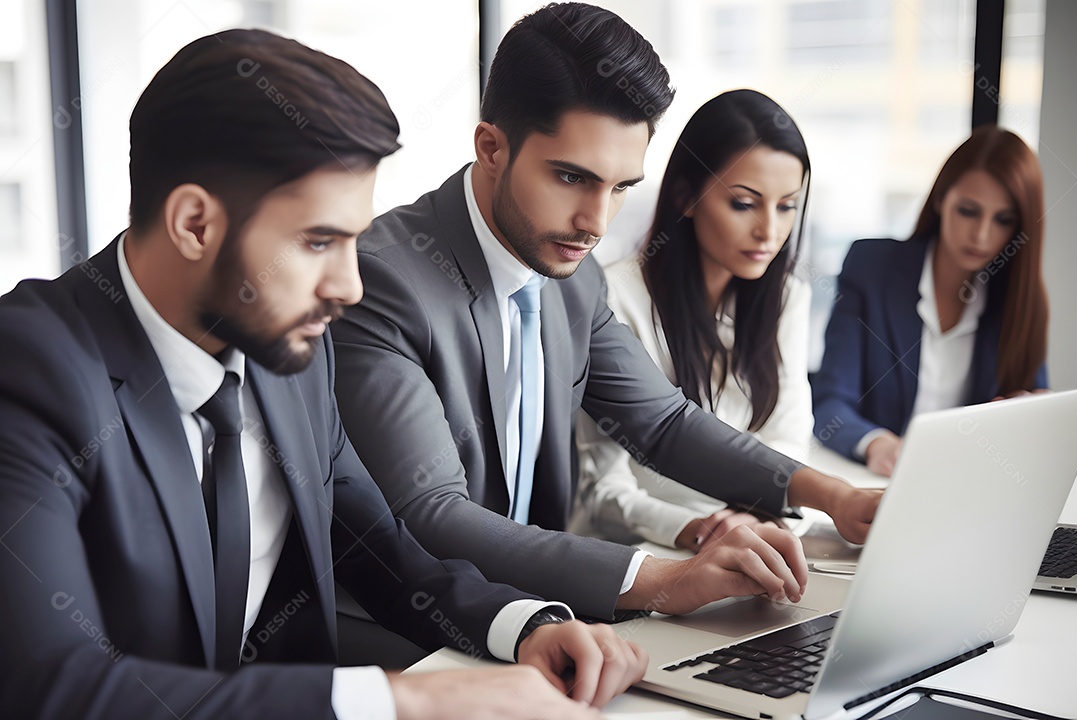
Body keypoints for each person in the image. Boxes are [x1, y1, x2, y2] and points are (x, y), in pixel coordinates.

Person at [0, 29, 649, 720]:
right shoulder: (27, 373)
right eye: (318, 242)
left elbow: (378, 548)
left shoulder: (288, 351)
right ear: (195, 224)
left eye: (353, 241)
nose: (349, 287)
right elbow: (55, 686)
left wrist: (526, 627)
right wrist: (406, 699)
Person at [333, 2, 880, 625]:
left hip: (543, 614)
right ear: (491, 148)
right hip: (414, 632)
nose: (595, 222)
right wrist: (662, 580)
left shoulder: (572, 276)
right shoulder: (383, 279)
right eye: (572, 177)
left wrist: (835, 496)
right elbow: (431, 513)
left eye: (621, 187)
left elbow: (662, 425)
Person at [571, 90, 815, 551]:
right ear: (686, 196)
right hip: (643, 551)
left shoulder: (787, 298)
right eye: (743, 203)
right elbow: (601, 489)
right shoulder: (612, 299)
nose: (769, 231)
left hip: (752, 535)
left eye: (787, 206)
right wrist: (702, 530)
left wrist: (751, 522)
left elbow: (788, 438)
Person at [812, 125, 1049, 477]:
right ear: (941, 200)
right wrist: (877, 444)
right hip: (879, 482)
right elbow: (830, 401)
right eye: (968, 211)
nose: (981, 235)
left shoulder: (1019, 300)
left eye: (1003, 220)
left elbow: (1034, 397)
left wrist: (1029, 415)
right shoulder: (871, 268)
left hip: (971, 482)